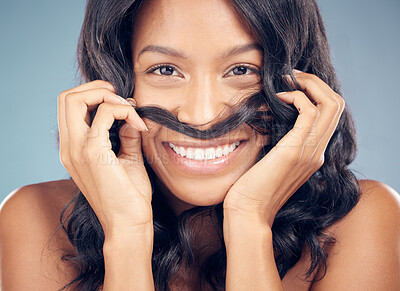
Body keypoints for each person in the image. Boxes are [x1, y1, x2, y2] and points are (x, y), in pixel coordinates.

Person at [1, 0, 399, 290]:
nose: (201, 115)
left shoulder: (364, 223)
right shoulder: (32, 221)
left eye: (241, 69)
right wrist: (125, 235)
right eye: (165, 69)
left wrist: (250, 223)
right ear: (117, 82)